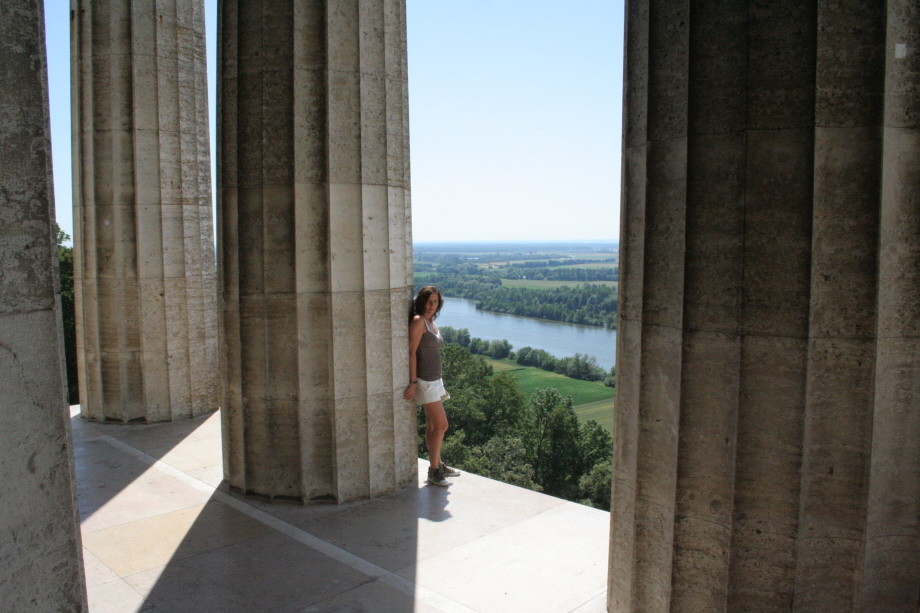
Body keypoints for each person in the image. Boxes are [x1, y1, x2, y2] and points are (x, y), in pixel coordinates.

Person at [403, 285, 461, 487]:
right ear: (421, 302)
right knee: (442, 424)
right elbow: (410, 352)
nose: (431, 305)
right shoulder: (419, 321)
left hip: (436, 381)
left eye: (435, 302)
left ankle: (437, 464)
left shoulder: (431, 321)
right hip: (425, 382)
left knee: (433, 426)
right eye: (428, 301)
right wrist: (412, 382)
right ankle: (434, 471)